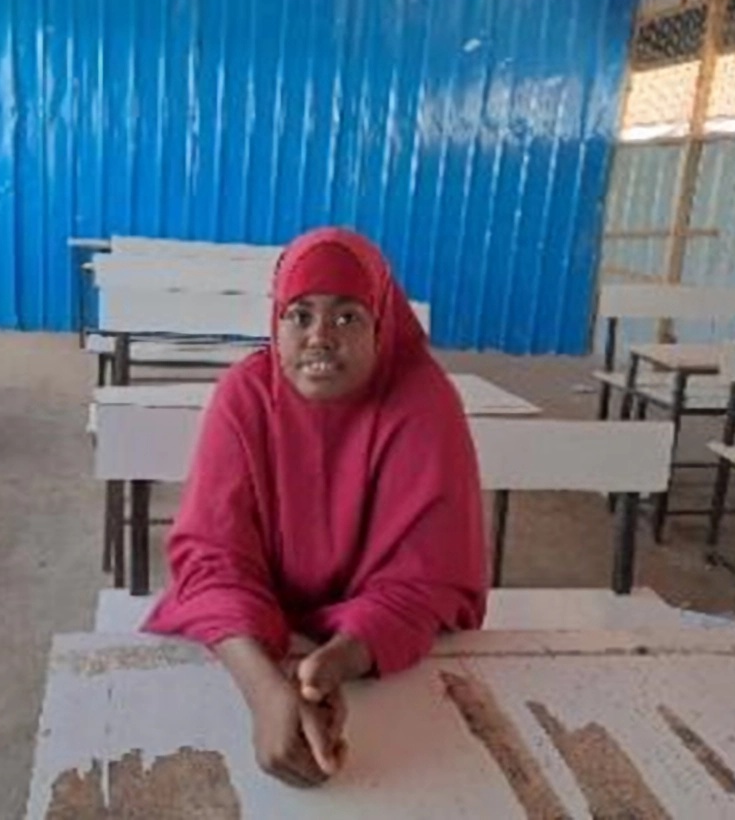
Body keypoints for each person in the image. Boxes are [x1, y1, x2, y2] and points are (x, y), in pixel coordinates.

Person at [142, 227, 487, 788]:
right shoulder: (245, 395)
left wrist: (338, 662)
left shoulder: (425, 402)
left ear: (382, 322)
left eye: (347, 316)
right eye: (299, 315)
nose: (320, 338)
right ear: (275, 323)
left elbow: (430, 576)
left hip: (389, 672)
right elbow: (212, 559)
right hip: (249, 639)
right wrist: (264, 690)